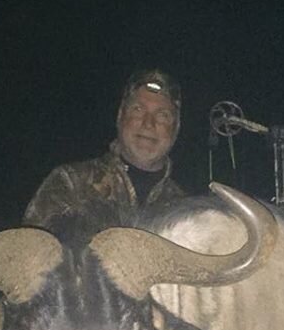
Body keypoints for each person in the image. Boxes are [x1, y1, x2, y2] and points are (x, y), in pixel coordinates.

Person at [23, 69, 186, 242]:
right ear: (120, 117)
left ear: (176, 129)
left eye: (163, 115)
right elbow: (31, 256)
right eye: (138, 109)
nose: (148, 124)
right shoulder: (70, 183)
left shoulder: (184, 210)